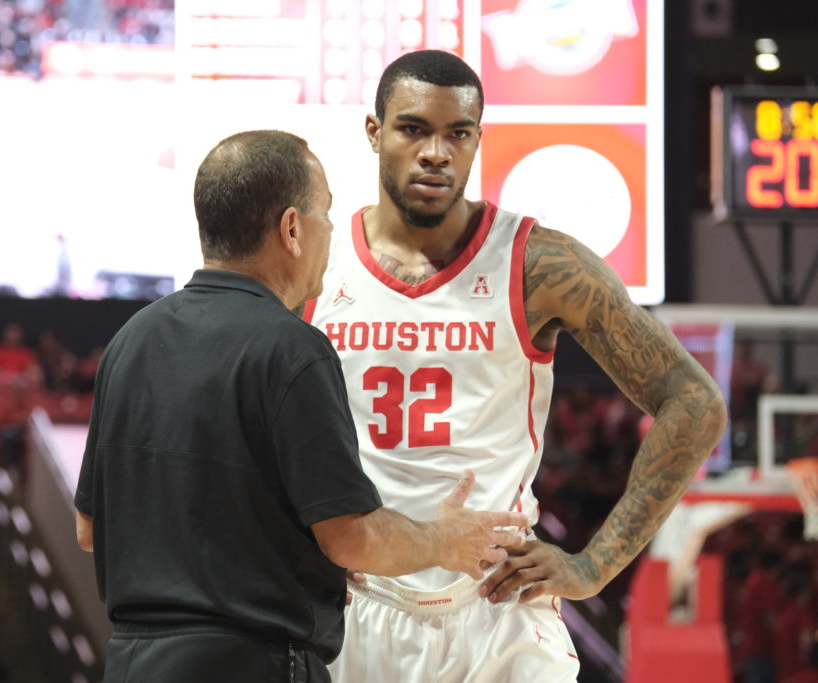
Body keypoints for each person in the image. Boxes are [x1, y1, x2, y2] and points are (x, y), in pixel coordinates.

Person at [305, 50, 728, 682]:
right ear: (374, 132)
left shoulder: (537, 264)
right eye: (413, 128)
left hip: (498, 613)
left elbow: (695, 405)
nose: (436, 153)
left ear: (478, 140)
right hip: (356, 607)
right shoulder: (317, 264)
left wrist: (594, 566)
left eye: (458, 133)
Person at [73, 129, 530, 683]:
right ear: (291, 229)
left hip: (131, 664)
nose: (332, 232)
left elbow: (90, 529)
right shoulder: (292, 346)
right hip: (252, 665)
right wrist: (443, 540)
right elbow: (350, 538)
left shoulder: (130, 341)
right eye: (326, 216)